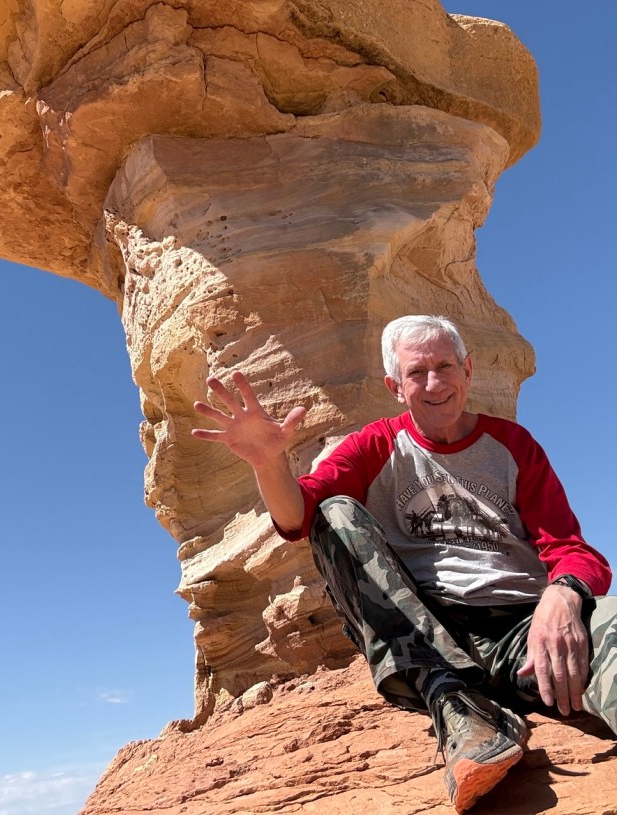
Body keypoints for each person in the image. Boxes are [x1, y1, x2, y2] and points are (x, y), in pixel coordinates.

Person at [192, 314, 616, 813]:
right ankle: (456, 707)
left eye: (445, 366)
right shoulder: (376, 445)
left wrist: (562, 595)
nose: (434, 382)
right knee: (335, 514)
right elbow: (299, 518)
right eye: (417, 373)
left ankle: (509, 696)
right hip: (432, 637)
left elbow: (571, 547)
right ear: (396, 386)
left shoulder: (512, 447)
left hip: (525, 635)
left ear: (468, 371)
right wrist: (268, 462)